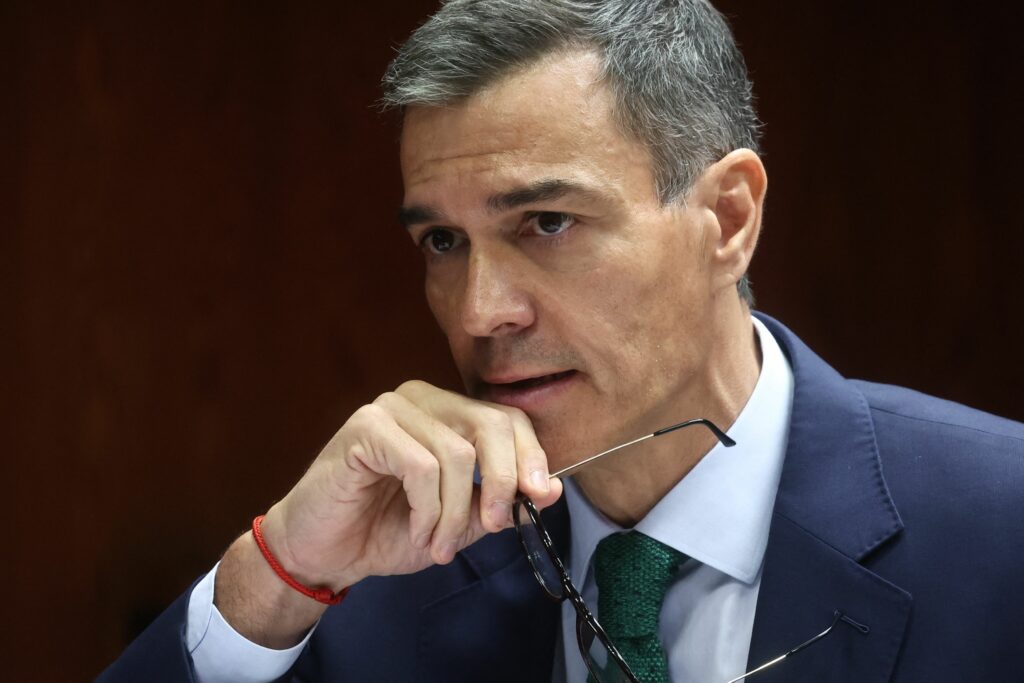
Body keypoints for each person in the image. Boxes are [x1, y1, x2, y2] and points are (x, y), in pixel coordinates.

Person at [100, 1, 1024, 681]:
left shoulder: (1000, 527)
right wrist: (277, 573)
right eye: (443, 241)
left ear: (729, 218)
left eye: (546, 222)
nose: (479, 312)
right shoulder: (378, 572)